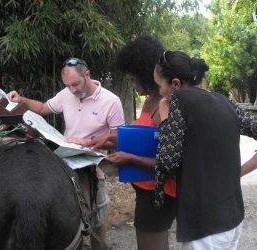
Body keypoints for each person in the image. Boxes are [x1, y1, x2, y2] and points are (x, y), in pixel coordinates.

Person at [68, 35, 177, 250]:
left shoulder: (165, 106)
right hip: (145, 189)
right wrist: (108, 138)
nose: (130, 83)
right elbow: (145, 137)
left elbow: (169, 159)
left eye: (133, 78)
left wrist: (129, 158)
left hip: (159, 192)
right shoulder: (149, 101)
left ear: (147, 76)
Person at [7, 58, 125, 250]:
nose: (72, 90)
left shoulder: (111, 101)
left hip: (93, 167)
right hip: (64, 164)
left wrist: (90, 142)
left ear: (87, 75)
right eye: (68, 86)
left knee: (98, 215)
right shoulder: (66, 94)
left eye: (75, 84)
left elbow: (119, 138)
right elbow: (44, 108)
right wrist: (22, 100)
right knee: (64, 215)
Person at [153, 50, 257, 250]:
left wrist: (165, 118)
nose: (160, 92)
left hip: (205, 225)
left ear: (176, 84)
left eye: (160, 85)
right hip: (232, 218)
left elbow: (167, 161)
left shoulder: (180, 100)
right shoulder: (223, 100)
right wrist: (239, 172)